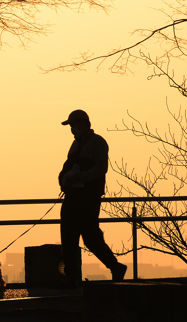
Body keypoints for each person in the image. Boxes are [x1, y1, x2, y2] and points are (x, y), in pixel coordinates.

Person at [57, 109, 128, 286]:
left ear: (84, 124)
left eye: (74, 125)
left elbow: (101, 169)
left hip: (88, 197)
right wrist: (64, 179)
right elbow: (69, 166)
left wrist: (80, 177)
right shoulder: (75, 145)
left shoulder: (98, 143)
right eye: (71, 126)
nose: (72, 129)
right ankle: (71, 277)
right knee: (68, 236)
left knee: (90, 237)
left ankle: (115, 267)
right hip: (72, 196)